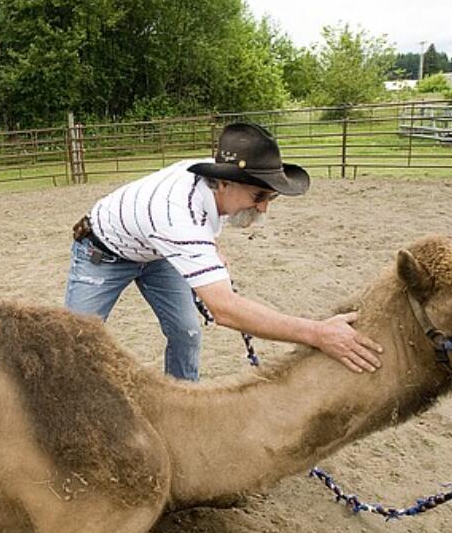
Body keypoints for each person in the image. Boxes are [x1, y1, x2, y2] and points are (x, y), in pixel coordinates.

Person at [63, 122, 383, 381]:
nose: (263, 208)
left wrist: (210, 248)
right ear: (225, 183)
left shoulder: (211, 195)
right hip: (103, 253)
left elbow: (199, 227)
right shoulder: (176, 214)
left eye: (271, 198)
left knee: (187, 332)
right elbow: (225, 310)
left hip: (158, 254)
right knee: (74, 341)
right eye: (259, 195)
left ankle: (183, 406)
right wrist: (318, 333)